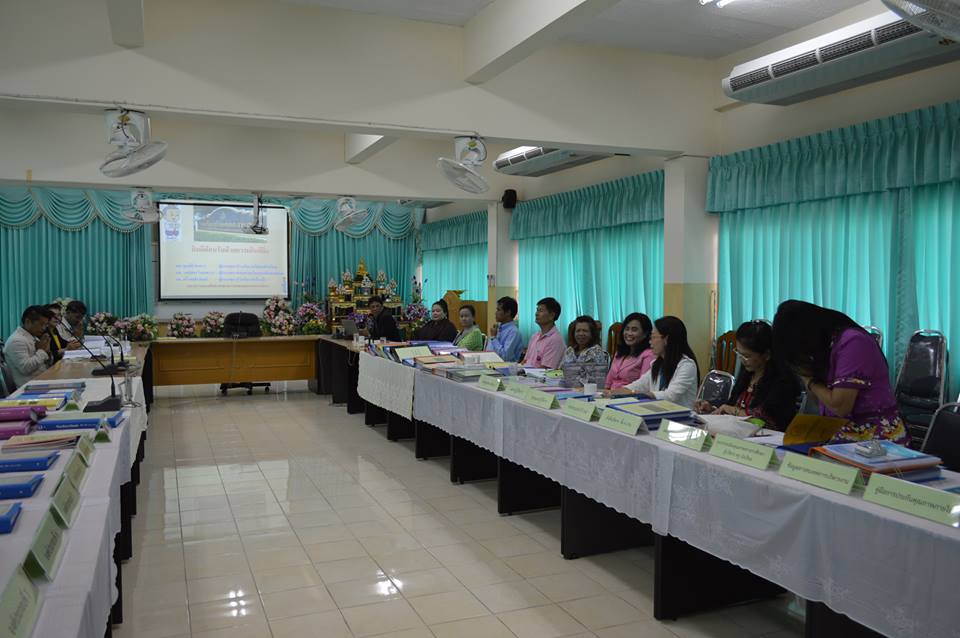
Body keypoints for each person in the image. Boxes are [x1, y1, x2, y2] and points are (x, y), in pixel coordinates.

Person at [772, 300, 909, 444]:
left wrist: (809, 381)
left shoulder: (853, 342)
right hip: (840, 435)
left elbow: (840, 406)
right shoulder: (827, 347)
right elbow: (820, 402)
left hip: (875, 439)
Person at [695, 320, 801, 431]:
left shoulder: (782, 383)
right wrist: (712, 410)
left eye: (747, 356)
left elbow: (765, 420)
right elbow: (731, 408)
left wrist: (732, 410)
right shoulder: (748, 376)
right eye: (739, 353)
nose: (742, 360)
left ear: (767, 355)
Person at [608, 316, 700, 408]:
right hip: (659, 412)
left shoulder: (687, 365)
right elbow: (639, 385)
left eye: (653, 337)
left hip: (680, 416)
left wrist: (638, 394)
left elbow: (671, 395)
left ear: (666, 339)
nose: (650, 342)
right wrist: (612, 393)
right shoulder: (657, 364)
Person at [3, 305, 54, 387]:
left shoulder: (34, 336)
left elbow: (46, 363)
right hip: (29, 387)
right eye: (41, 324)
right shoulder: (16, 340)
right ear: (28, 322)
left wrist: (48, 352)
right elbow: (25, 368)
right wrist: (42, 351)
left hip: (41, 381)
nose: (44, 328)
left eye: (46, 325)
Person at [605, 312, 656, 389]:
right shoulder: (620, 352)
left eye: (634, 330)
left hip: (631, 395)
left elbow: (643, 386)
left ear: (645, 334)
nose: (629, 333)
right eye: (627, 329)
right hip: (610, 394)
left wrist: (616, 393)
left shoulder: (649, 354)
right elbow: (608, 382)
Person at [523, 297, 565, 369]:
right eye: (537, 310)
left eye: (541, 311)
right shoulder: (535, 336)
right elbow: (525, 361)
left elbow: (545, 369)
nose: (536, 314)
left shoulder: (555, 340)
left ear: (552, 315)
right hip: (526, 374)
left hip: (539, 376)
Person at [487, 296, 523, 362]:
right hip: (490, 364)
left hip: (505, 367)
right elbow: (488, 350)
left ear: (508, 312)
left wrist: (494, 338)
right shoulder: (497, 328)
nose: (495, 313)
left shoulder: (513, 332)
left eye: (498, 310)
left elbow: (505, 357)